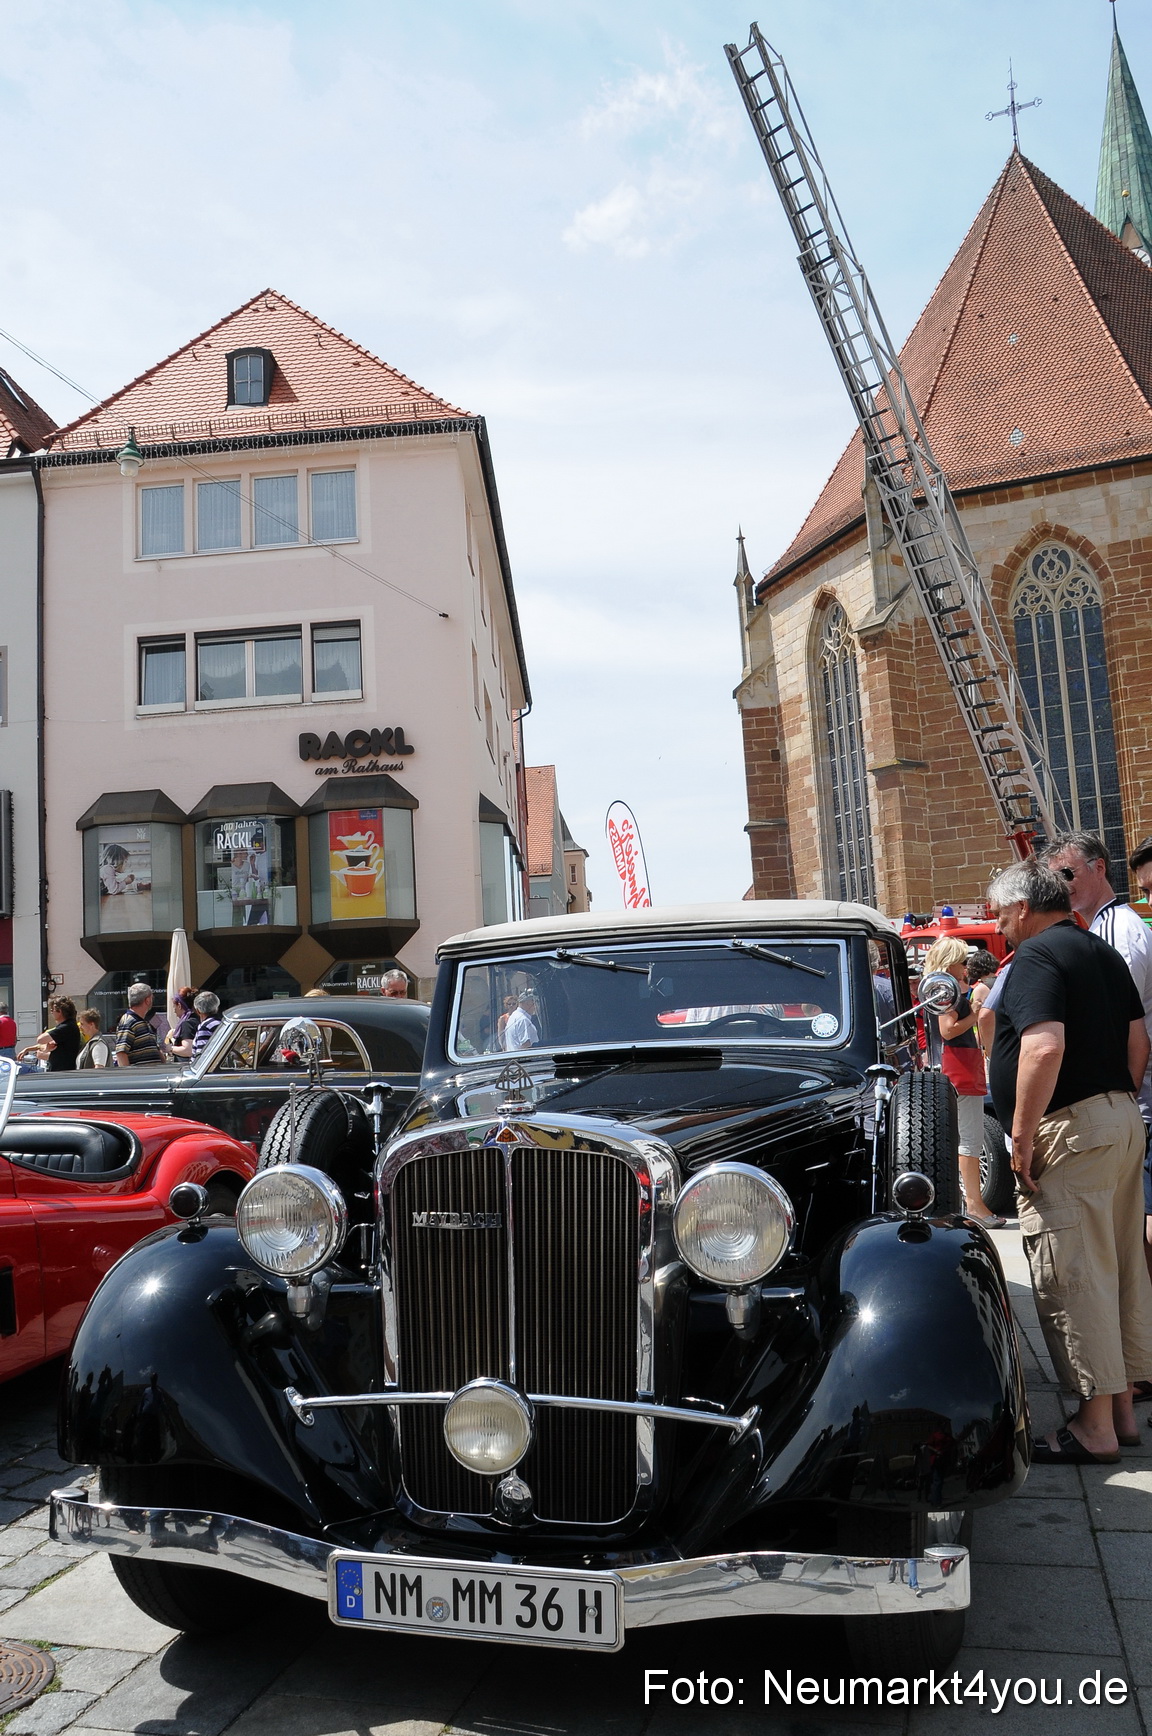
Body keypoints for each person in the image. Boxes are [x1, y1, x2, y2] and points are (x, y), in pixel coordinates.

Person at [987, 858, 1152, 1464]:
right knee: (1121, 1269)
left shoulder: (1035, 955)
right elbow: (1139, 1043)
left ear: (1023, 908)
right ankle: (1123, 1413)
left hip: (1071, 1131)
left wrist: (1021, 1136)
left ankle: (1093, 1428)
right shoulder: (1100, 949)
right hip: (1118, 1119)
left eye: (1001, 915)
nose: (998, 927)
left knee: (1076, 1275)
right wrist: (1113, 1102)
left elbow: (1043, 1046)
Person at [921, 936, 1004, 1228]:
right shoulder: (947, 990)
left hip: (956, 1066)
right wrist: (976, 1012)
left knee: (962, 1138)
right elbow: (948, 1030)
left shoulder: (939, 987)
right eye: (961, 961)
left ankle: (968, 1201)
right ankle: (975, 1204)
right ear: (950, 963)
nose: (965, 966)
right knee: (970, 1139)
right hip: (960, 1068)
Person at [18, 996, 82, 1071]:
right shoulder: (68, 1026)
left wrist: (45, 1049)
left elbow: (40, 1040)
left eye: (52, 1010)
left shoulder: (66, 1027)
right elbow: (48, 1045)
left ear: (59, 1011)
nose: (51, 1012)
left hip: (63, 1072)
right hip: (60, 1070)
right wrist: (29, 1049)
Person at [114, 983, 163, 1067]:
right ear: (147, 1000)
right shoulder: (128, 1021)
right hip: (140, 1074)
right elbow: (121, 1053)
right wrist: (129, 1074)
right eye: (152, 998)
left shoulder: (142, 1022)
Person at [164, 988, 200, 1060]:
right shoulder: (197, 1019)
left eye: (174, 1006)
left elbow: (188, 1050)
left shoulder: (187, 1024)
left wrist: (169, 1048)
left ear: (179, 1006)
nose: (174, 1011)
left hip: (187, 1064)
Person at [189, 991, 223, 1061]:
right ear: (217, 1007)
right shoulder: (222, 1024)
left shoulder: (205, 1027)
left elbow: (201, 1056)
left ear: (198, 1011)